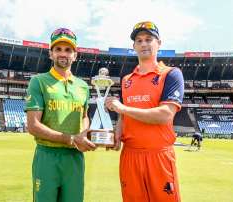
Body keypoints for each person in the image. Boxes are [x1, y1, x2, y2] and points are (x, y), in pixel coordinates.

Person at [105, 21, 184, 202]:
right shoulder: (127, 80)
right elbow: (123, 115)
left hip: (158, 156)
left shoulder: (171, 74)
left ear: (159, 43)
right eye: (139, 40)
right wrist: (117, 134)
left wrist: (123, 107)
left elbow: (165, 114)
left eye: (149, 39)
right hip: (130, 155)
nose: (143, 44)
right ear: (134, 46)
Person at [25, 28, 96, 202]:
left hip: (74, 158)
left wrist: (83, 134)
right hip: (47, 156)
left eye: (68, 50)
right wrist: (71, 139)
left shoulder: (83, 86)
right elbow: (33, 126)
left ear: (75, 55)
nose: (63, 54)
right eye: (58, 49)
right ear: (50, 54)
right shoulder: (38, 81)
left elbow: (85, 116)